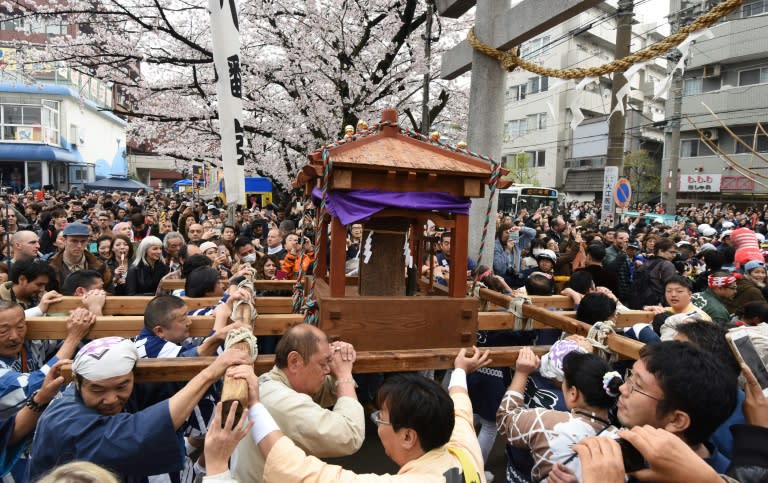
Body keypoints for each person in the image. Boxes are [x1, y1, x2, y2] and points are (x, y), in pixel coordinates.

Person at [234, 347, 490, 482]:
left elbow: (307, 475)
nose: (378, 422)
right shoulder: (463, 449)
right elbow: (461, 408)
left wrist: (256, 405)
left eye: (381, 417)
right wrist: (459, 371)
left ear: (408, 437)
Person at [28, 338, 253, 482]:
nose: (110, 399)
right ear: (78, 383)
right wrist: (209, 373)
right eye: (97, 389)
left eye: (122, 386)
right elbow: (138, 436)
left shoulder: (99, 389)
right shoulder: (63, 420)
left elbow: (159, 382)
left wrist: (206, 347)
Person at [232, 324, 365, 482]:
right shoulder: (282, 402)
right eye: (323, 364)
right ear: (294, 361)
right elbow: (349, 435)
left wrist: (337, 358)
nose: (328, 369)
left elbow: (327, 391)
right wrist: (344, 375)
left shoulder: (271, 383)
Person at [497, 348, 621, 481]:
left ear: (573, 393)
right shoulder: (620, 441)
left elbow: (505, 419)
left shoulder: (548, 423)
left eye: (564, 380)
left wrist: (521, 373)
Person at [0, 301, 94, 418]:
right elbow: (32, 388)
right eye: (3, 331)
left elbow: (79, 341)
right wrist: (73, 338)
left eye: (20, 326)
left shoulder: (31, 344)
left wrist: (86, 315)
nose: (14, 336)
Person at [48, 222, 113, 292]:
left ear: (87, 241)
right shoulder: (51, 266)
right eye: (74, 241)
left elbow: (110, 292)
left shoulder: (100, 265)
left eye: (83, 241)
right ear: (64, 240)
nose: (79, 245)